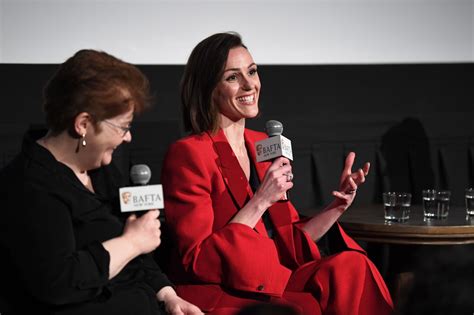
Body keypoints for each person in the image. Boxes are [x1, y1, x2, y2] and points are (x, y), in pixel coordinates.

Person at [161, 32, 394, 314]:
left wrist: (337, 206)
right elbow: (197, 260)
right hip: (227, 289)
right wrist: (260, 200)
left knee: (351, 266)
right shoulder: (190, 153)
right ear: (209, 88)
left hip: (275, 277)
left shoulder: (262, 144)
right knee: (306, 305)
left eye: (252, 71)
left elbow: (287, 239)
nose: (250, 85)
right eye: (233, 77)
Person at [0, 50, 202, 315]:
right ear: (83, 124)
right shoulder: (29, 185)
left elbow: (138, 254)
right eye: (122, 127)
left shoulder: (102, 170)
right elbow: (58, 282)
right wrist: (131, 242)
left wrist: (167, 295)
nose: (127, 138)